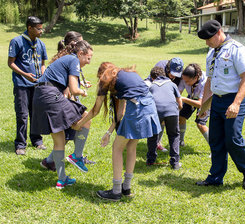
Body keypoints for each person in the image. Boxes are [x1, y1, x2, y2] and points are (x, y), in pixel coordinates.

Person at [72, 62, 162, 201]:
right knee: (131, 147)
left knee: (117, 148)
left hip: (137, 108)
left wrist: (79, 124)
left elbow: (95, 110)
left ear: (102, 74)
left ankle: (115, 191)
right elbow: (120, 113)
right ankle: (126, 188)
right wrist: (108, 133)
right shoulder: (125, 75)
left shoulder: (106, 79)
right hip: (148, 106)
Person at [196, 20, 245, 189]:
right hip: (217, 101)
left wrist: (236, 103)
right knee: (215, 140)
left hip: (234, 100)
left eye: (209, 39)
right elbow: (209, 81)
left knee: (233, 139)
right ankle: (215, 177)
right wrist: (203, 107)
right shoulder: (211, 53)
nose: (207, 43)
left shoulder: (237, 50)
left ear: (219, 33)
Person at [31, 40, 93, 189]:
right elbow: (73, 88)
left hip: (39, 96)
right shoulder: (73, 59)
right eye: (88, 58)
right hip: (50, 95)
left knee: (59, 139)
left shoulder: (66, 59)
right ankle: (77, 156)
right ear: (80, 54)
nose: (89, 62)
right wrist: (82, 92)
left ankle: (62, 179)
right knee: (85, 118)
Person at [8, 16, 47, 155]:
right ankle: (20, 144)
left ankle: (37, 141)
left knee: (36, 114)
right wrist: (25, 74)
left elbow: (43, 63)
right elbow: (10, 63)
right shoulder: (17, 41)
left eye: (42, 28)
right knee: (22, 115)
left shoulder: (41, 44)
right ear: (29, 28)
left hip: (36, 85)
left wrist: (42, 76)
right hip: (22, 84)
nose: (41, 31)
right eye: (38, 29)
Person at [144, 57, 184, 152]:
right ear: (168, 68)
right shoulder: (160, 66)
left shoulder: (178, 76)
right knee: (158, 117)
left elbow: (177, 92)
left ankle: (158, 142)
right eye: (172, 74)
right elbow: (151, 83)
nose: (174, 77)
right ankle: (156, 144)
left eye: (176, 75)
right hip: (154, 91)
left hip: (169, 93)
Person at [178, 63, 210, 147]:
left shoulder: (205, 81)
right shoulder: (184, 78)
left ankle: (215, 148)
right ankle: (180, 142)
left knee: (200, 124)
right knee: (181, 117)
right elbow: (179, 93)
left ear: (196, 78)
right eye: (184, 81)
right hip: (192, 96)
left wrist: (183, 99)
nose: (186, 83)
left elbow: (200, 104)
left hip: (206, 100)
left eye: (188, 81)